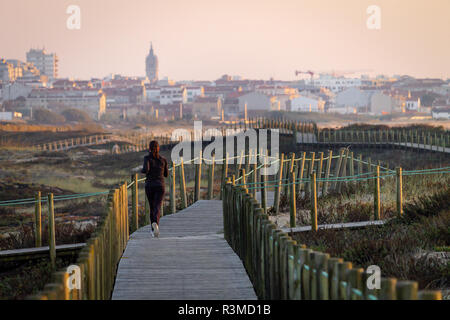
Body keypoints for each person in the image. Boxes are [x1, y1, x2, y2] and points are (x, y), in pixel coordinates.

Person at [141, 140, 168, 237]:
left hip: (150, 185)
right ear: (158, 148)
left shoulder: (147, 158)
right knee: (157, 206)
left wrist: (141, 170)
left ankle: (153, 228)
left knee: (152, 206)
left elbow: (146, 170)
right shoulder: (163, 159)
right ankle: (155, 224)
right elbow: (166, 174)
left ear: (149, 148)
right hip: (160, 185)